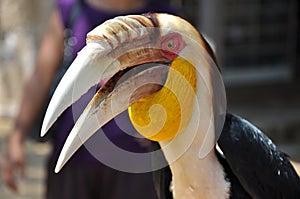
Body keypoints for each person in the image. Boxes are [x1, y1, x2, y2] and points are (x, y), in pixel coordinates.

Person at [2, 0, 177, 198]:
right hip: (73, 160)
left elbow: (181, 83)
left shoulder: (164, 18)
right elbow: (41, 75)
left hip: (138, 167)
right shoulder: (71, 8)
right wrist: (17, 134)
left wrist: (162, 125)